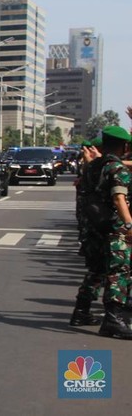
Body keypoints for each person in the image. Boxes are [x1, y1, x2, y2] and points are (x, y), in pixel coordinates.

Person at [94, 126, 132, 339]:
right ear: (124, 146)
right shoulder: (117, 169)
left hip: (101, 226)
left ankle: (116, 317)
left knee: (113, 271)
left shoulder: (98, 166)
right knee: (119, 272)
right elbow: (119, 198)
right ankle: (112, 320)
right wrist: (129, 225)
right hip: (116, 228)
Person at [69, 136, 110, 326]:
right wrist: (128, 224)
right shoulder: (108, 167)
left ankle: (83, 310)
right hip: (108, 228)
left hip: (95, 227)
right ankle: (115, 316)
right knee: (115, 271)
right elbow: (118, 199)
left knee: (99, 271)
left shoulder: (94, 167)